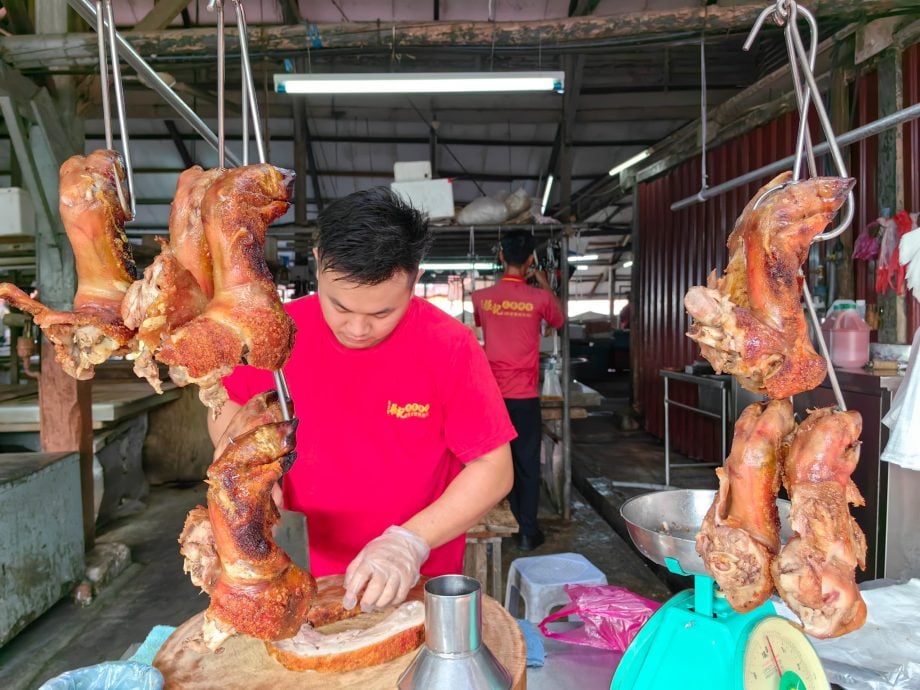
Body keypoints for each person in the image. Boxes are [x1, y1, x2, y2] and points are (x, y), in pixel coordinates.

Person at [208, 187, 515, 614]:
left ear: (414, 277)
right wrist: (252, 477)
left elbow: (494, 469)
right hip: (299, 573)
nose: (356, 328)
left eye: (381, 314)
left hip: (413, 580)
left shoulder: (449, 346)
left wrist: (408, 542)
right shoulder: (275, 336)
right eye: (340, 306)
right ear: (318, 261)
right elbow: (226, 407)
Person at [471, 231, 565, 551]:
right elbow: (559, 319)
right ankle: (527, 532)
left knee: (494, 462)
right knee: (527, 463)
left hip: (490, 398)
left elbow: (486, 330)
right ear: (529, 260)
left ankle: (501, 522)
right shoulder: (539, 299)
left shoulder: (481, 298)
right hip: (524, 397)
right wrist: (544, 282)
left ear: (500, 257)